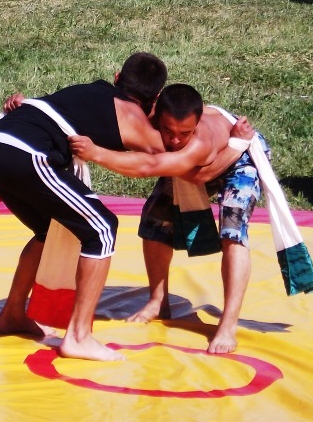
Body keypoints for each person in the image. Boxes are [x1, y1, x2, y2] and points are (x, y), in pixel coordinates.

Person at [0, 52, 170, 362]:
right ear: (155, 98)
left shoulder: (88, 90)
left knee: (47, 230)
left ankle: (12, 314)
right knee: (103, 228)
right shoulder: (134, 118)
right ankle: (79, 336)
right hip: (25, 153)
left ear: (117, 78)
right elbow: (167, 156)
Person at [69, 84, 273, 355]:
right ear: (157, 117)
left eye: (184, 133)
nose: (175, 140)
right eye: (168, 132)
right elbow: (98, 112)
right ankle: (158, 299)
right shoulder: (151, 117)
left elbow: (193, 174)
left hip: (241, 158)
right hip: (200, 161)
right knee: (156, 219)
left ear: (197, 124)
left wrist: (237, 145)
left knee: (232, 232)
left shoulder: (202, 139)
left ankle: (228, 324)